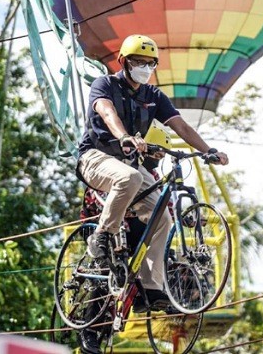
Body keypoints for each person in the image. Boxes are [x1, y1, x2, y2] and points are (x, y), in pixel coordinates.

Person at [75, 34, 228, 353]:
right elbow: (106, 113)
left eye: (150, 64)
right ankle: (101, 237)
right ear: (123, 62)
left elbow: (181, 126)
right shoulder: (105, 86)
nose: (144, 68)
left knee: (164, 217)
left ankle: (152, 287)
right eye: (137, 63)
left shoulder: (153, 97)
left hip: (129, 175)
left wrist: (208, 150)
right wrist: (126, 137)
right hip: (99, 157)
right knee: (128, 180)